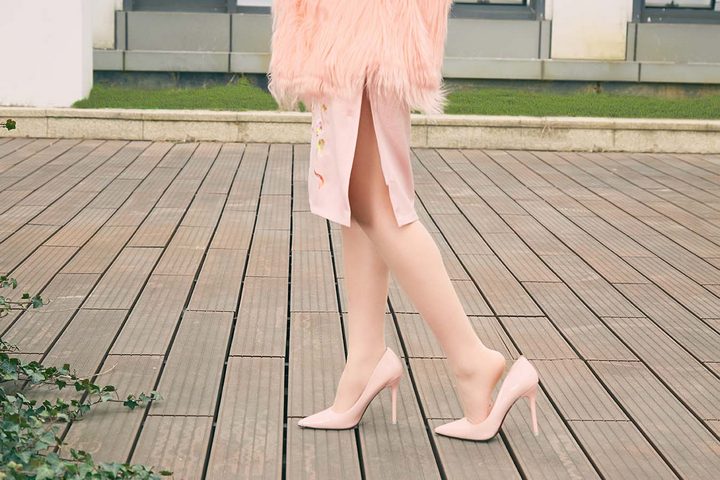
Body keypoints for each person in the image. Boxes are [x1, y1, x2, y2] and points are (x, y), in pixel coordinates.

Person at [267, 0, 540, 441]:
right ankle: (365, 359)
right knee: (357, 198)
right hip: (353, 26)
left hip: (360, 25)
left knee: (376, 202)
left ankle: (472, 360)